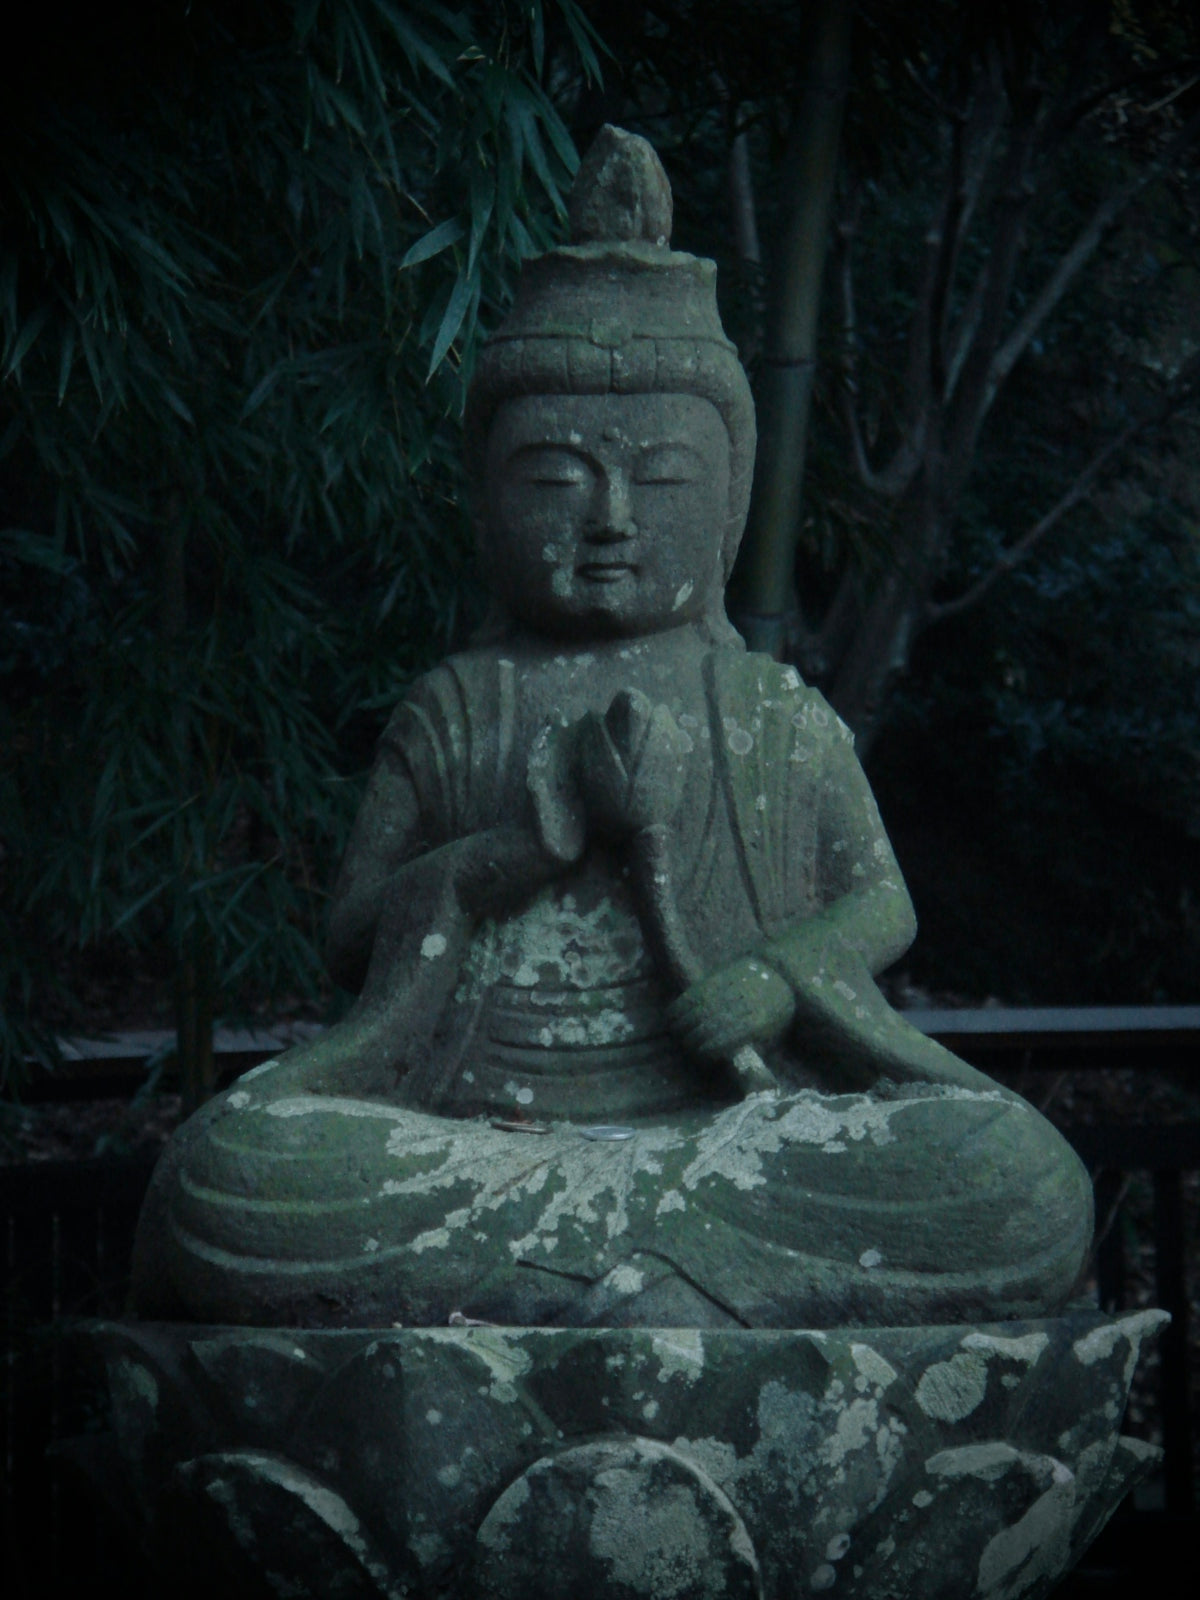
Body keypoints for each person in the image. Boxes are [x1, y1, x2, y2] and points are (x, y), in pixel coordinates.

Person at [132, 128, 1092, 1331]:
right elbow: (353, 933)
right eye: (555, 480)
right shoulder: (460, 705)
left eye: (666, 482)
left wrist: (772, 981)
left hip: (741, 1142)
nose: (613, 520)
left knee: (1016, 1178)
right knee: (236, 1171)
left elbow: (881, 906)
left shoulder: (770, 711)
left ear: (732, 503)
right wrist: (511, 855)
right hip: (472, 1146)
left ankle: (577, 1279)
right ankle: (662, 1281)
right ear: (487, 504)